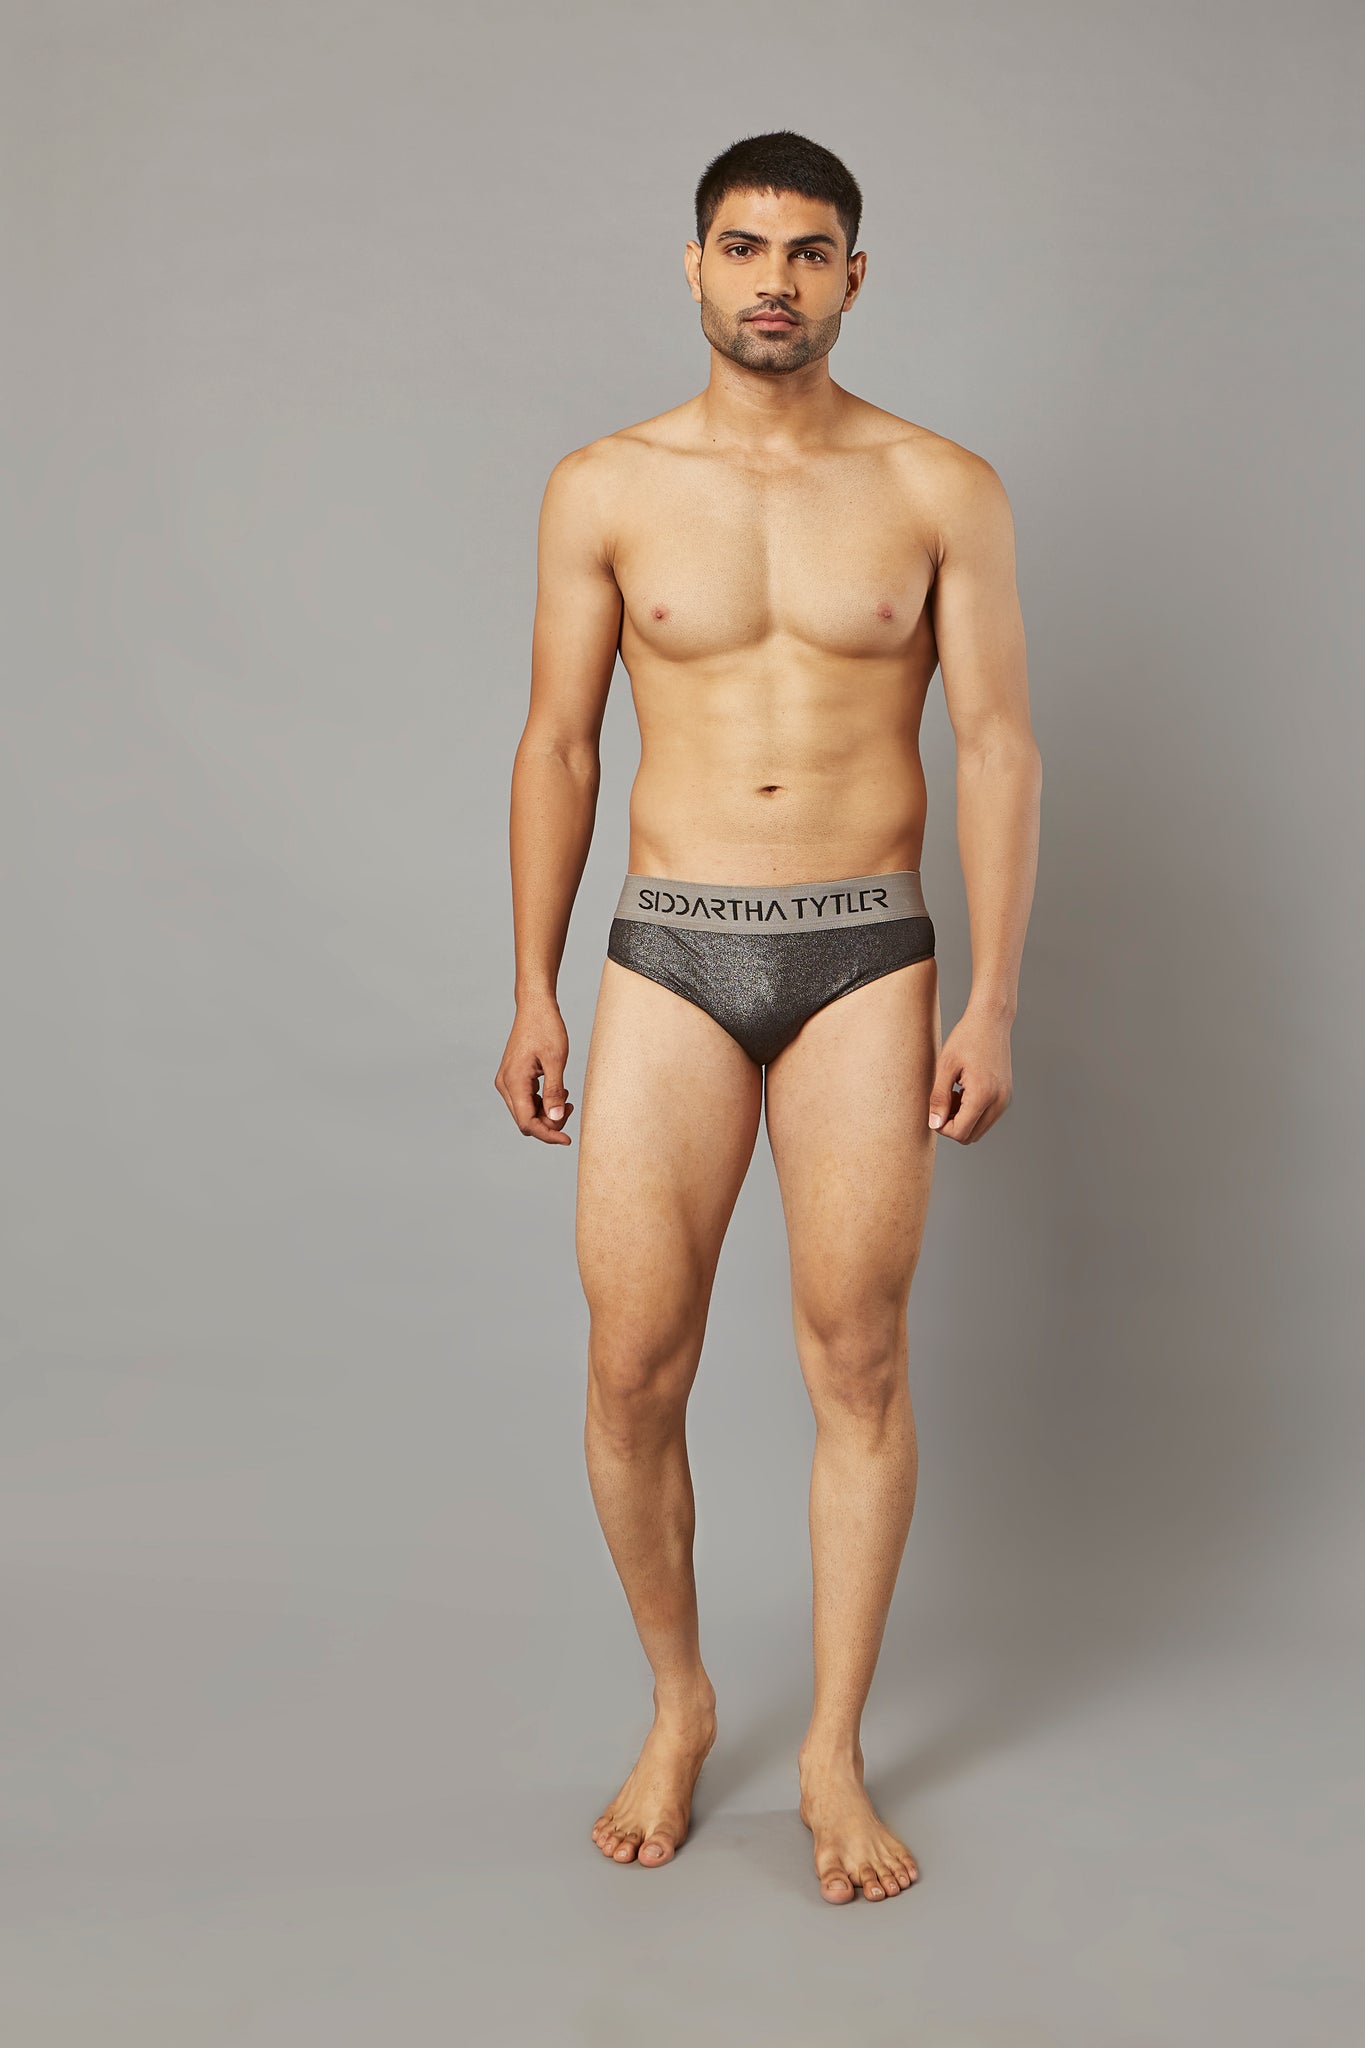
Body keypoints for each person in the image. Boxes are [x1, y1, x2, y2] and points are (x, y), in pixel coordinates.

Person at [494, 130, 1042, 1906]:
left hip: (865, 957)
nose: (774, 281)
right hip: (668, 949)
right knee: (631, 1367)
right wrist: (531, 985)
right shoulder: (604, 485)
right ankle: (679, 1702)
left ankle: (831, 1751)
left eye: (808, 253)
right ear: (694, 266)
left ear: (852, 278)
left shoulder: (938, 485)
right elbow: (558, 746)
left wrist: (994, 997)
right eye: (743, 247)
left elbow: (996, 747)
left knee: (856, 1360)